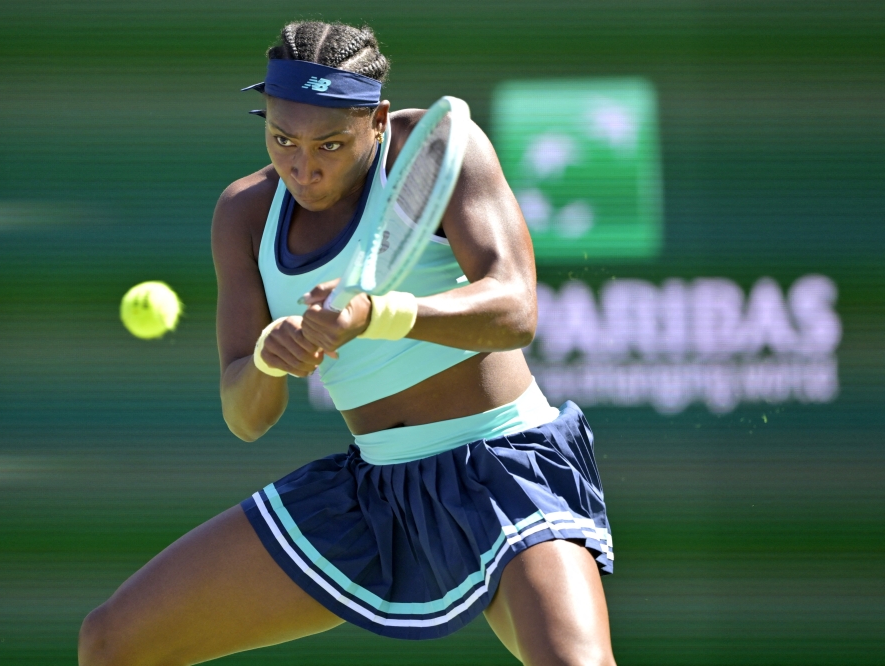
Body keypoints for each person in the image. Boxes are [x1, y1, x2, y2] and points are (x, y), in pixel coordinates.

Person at [79, 20, 615, 666]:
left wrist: (376, 314)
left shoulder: (438, 147)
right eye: (282, 139)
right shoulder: (244, 214)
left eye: (330, 144)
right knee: (111, 643)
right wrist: (268, 359)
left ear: (378, 120)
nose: (303, 167)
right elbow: (246, 417)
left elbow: (516, 308)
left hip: (500, 466)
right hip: (372, 494)